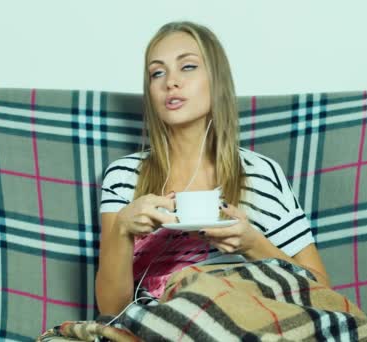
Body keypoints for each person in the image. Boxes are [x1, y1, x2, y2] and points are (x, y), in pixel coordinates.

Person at [95, 21, 330, 317]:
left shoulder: (260, 175)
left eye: (188, 67)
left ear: (216, 79)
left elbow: (322, 293)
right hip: (158, 327)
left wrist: (252, 244)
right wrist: (122, 230)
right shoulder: (123, 176)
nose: (171, 82)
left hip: (247, 322)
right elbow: (111, 309)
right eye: (158, 72)